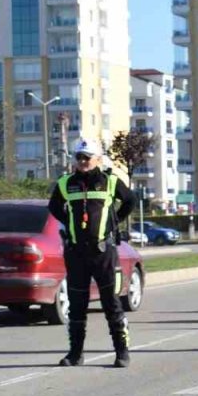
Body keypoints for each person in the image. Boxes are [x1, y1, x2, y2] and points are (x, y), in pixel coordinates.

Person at [48, 139, 137, 368]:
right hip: (76, 253)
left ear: (97, 159)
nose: (83, 161)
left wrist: (114, 221)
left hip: (103, 252)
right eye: (79, 157)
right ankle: (75, 354)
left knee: (111, 304)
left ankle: (122, 351)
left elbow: (130, 200)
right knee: (77, 306)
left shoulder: (109, 181)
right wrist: (69, 223)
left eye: (87, 157)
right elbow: (54, 207)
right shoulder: (66, 183)